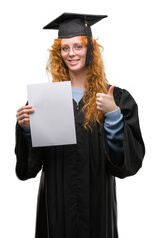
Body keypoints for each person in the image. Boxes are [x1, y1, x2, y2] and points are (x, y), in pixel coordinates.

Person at [15, 13, 145, 238]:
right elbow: (31, 166)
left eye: (78, 46)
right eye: (65, 48)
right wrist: (27, 129)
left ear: (91, 50)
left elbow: (126, 163)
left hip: (98, 202)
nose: (71, 53)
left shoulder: (115, 97)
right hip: (56, 204)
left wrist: (114, 115)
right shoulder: (45, 100)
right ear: (59, 53)